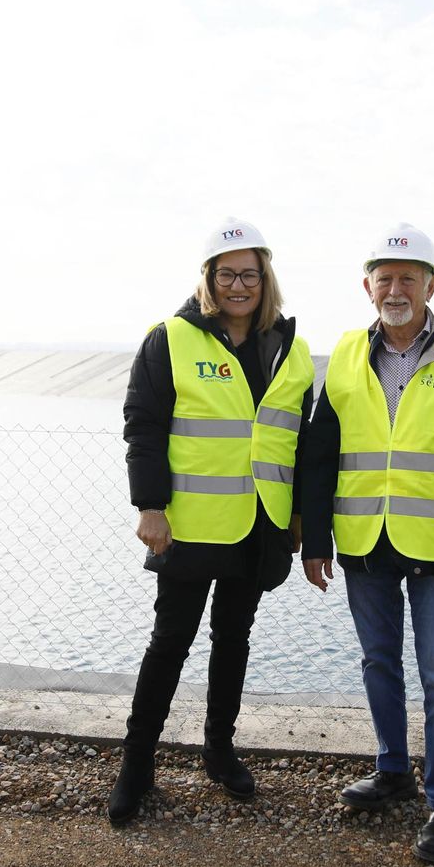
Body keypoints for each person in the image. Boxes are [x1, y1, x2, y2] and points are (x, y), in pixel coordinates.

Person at [299, 224, 434, 864]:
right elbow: (319, 454)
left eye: (408, 278)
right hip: (365, 538)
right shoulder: (344, 356)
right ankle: (393, 770)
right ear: (367, 287)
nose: (396, 289)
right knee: (378, 664)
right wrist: (314, 540)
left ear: (431, 285)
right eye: (384, 278)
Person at [109, 218, 314, 827]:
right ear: (209, 278)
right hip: (189, 526)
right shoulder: (170, 339)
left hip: (259, 524)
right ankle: (136, 767)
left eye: (250, 274)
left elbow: (297, 440)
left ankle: (219, 751)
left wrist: (299, 513)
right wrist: (149, 505)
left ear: (265, 278)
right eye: (227, 273)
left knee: (234, 639)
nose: (239, 285)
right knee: (170, 641)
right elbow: (142, 426)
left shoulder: (291, 347)